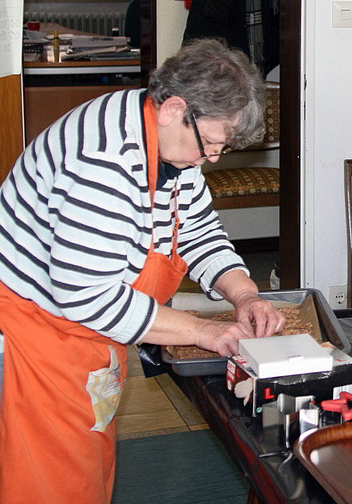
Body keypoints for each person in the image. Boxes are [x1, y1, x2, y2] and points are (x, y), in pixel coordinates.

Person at [0, 38, 287, 503]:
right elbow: (87, 296)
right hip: (36, 327)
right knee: (52, 481)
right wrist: (201, 331)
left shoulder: (171, 140)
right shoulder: (105, 160)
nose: (213, 158)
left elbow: (197, 230)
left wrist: (244, 294)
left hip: (85, 328)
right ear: (175, 109)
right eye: (212, 144)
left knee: (88, 462)